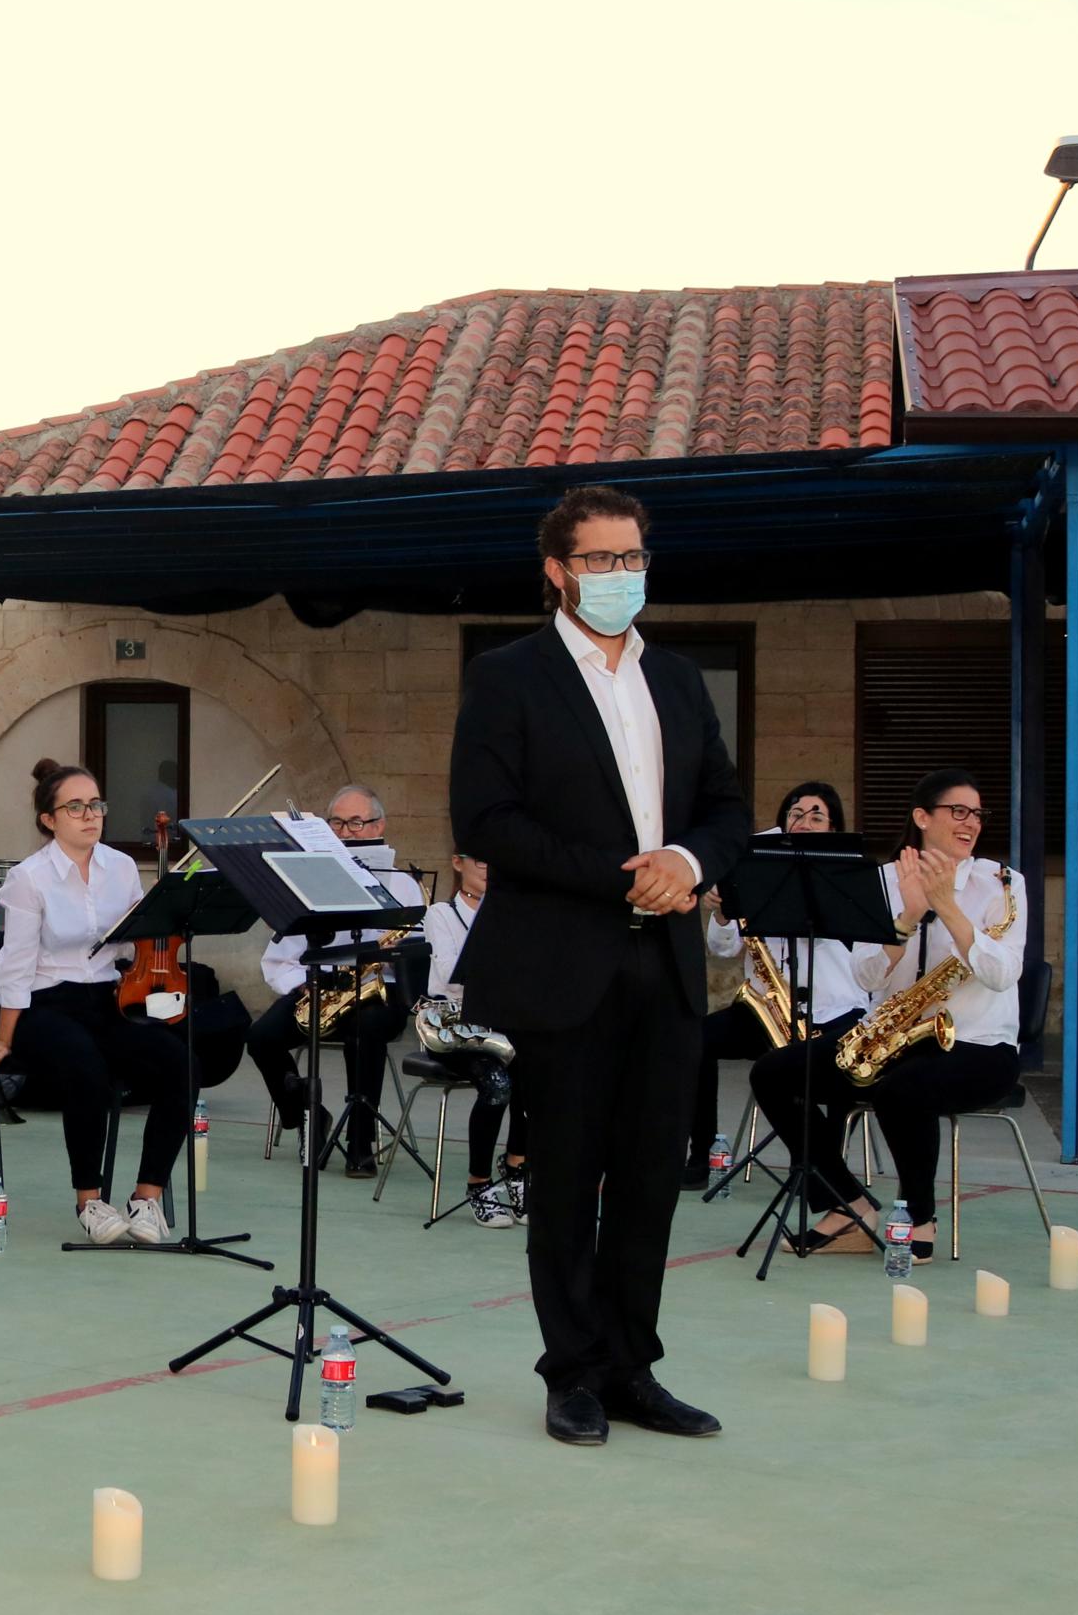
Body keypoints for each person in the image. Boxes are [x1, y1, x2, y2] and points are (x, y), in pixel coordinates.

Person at [450, 485, 749, 1447]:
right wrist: (629, 879)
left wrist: (689, 865)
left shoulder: (680, 679)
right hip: (563, 964)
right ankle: (571, 1373)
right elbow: (487, 822)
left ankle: (632, 1369)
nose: (621, 576)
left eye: (634, 560)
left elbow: (727, 808)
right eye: (601, 561)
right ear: (558, 572)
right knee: (570, 1176)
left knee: (654, 1177)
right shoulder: (509, 676)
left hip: (664, 968)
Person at [751, 769, 1027, 1259]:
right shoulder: (883, 880)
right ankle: (846, 1203)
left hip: (980, 1046)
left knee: (904, 1092)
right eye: (957, 811)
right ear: (922, 817)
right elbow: (867, 976)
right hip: (895, 1036)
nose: (971, 823)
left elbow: (1002, 974)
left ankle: (919, 1219)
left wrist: (949, 909)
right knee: (774, 1074)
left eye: (977, 814)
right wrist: (905, 920)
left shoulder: (1002, 885)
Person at [0, 759, 192, 1246]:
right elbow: (15, 964)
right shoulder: (29, 878)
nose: (90, 814)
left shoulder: (119, 867)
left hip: (108, 997)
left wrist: (153, 921)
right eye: (75, 807)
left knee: (181, 1061)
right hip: (44, 1003)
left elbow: (125, 949)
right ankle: (89, 1201)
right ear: (49, 820)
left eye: (95, 804)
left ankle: (147, 1198)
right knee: (86, 1069)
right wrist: (3, 1038)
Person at [691, 780, 870, 1189]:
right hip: (767, 1007)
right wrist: (722, 914)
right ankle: (701, 1154)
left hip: (835, 1007)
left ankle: (820, 1170)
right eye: (795, 813)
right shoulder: (758, 869)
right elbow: (723, 949)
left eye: (816, 815)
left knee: (842, 1065)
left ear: (834, 827)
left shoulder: (849, 874)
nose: (803, 821)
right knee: (694, 1040)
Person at [246, 785, 420, 1177]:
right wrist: (302, 984)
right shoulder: (309, 881)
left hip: (379, 989)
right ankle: (308, 1114)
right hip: (323, 986)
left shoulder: (402, 883)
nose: (347, 832)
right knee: (260, 1039)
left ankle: (361, 1144)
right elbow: (279, 957)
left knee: (366, 1031)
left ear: (380, 824)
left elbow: (416, 952)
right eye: (338, 823)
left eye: (357, 822)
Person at [421, 854, 524, 1227]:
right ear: (458, 863)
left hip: (501, 1022)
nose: (489, 867)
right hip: (453, 1027)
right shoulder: (441, 915)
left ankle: (516, 1168)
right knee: (497, 1085)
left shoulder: (512, 912)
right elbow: (450, 975)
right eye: (480, 861)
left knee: (538, 1074)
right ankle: (479, 1183)